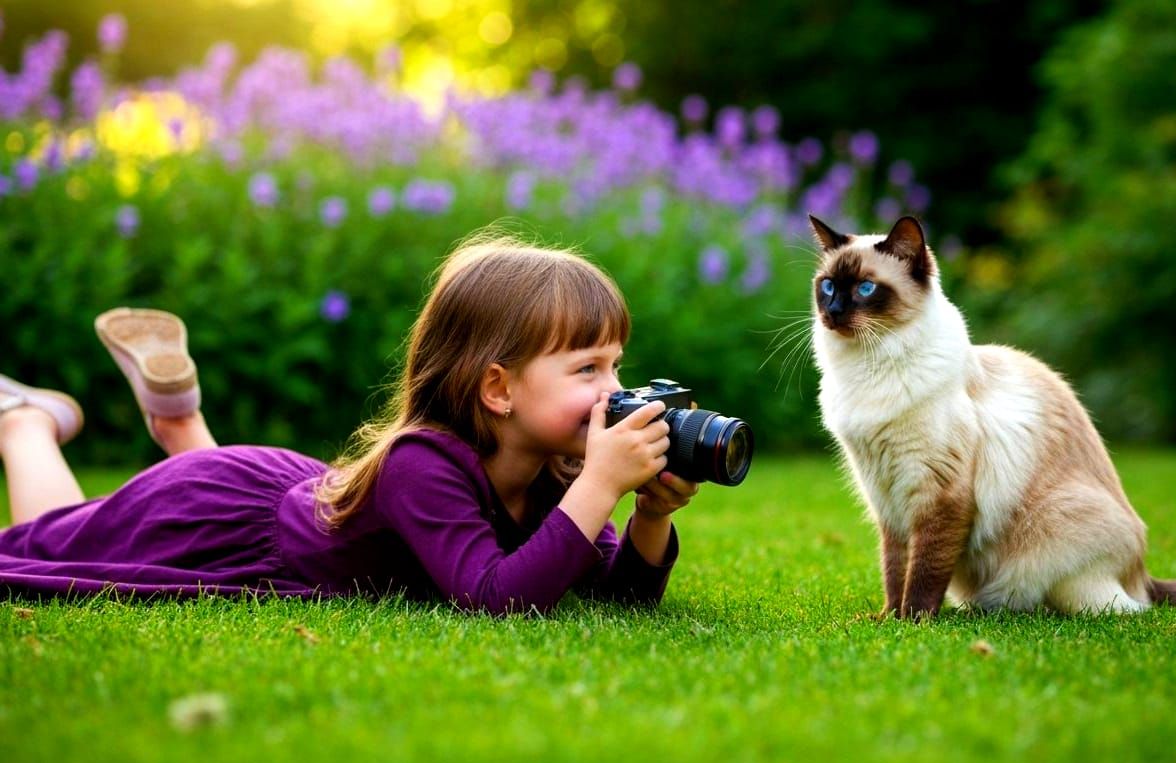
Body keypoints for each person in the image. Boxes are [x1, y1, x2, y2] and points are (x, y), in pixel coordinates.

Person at [0, 236, 696, 615]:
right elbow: (497, 595)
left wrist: (647, 517)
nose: (614, 391)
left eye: (615, 365)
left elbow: (616, 599)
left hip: (299, 501)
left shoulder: (557, 467)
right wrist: (600, 483)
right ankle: (26, 425)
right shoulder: (421, 465)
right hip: (211, 504)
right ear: (497, 388)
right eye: (587, 370)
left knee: (172, 494)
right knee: (58, 539)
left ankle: (180, 421)